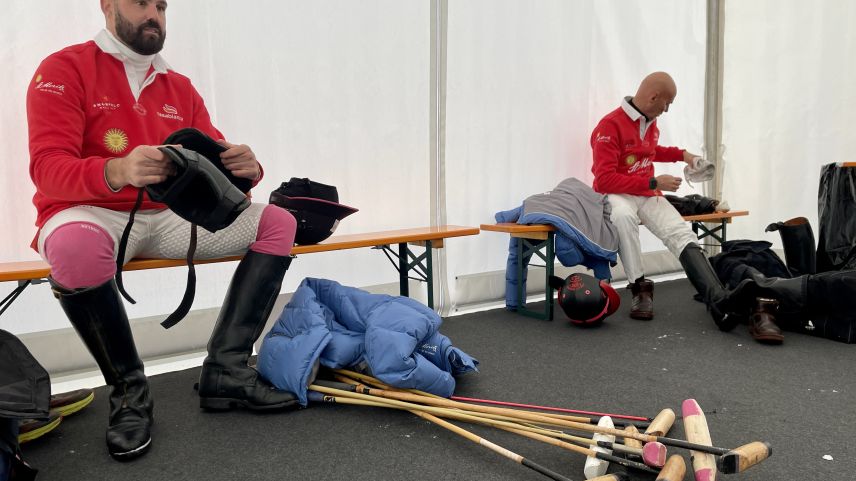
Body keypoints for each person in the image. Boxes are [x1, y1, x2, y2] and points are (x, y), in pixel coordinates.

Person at [27, 0, 299, 461]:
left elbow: (214, 168)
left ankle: (226, 371)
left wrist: (247, 170)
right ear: (107, 4)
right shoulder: (63, 68)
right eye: (141, 2)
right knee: (74, 246)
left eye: (161, 5)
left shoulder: (180, 85)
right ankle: (130, 394)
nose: (153, 13)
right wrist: (116, 169)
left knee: (279, 221)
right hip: (89, 214)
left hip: (170, 217)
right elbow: (47, 168)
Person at [590, 72, 738, 328]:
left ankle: (718, 301)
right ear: (653, 97)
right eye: (667, 103)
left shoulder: (649, 121)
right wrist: (653, 183)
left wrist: (684, 155)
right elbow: (604, 180)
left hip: (645, 194)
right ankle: (640, 289)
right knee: (624, 217)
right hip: (616, 194)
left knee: (681, 233)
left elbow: (650, 151)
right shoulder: (608, 126)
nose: (667, 110)